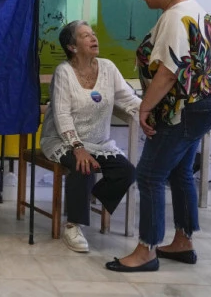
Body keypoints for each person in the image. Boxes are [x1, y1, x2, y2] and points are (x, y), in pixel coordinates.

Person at [106, 0, 211, 272]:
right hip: (204, 106)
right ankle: (183, 241)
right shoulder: (195, 9)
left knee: (149, 175)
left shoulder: (174, 17)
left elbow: (170, 71)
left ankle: (147, 250)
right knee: (179, 172)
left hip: (183, 110)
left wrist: (144, 108)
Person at [40, 20, 140, 253]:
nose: (93, 38)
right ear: (72, 47)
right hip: (61, 140)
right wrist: (77, 147)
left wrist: (149, 113)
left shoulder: (108, 67)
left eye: (93, 34)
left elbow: (127, 98)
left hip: (98, 142)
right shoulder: (64, 72)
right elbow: (62, 114)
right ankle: (73, 226)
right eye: (85, 36)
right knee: (82, 166)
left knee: (126, 172)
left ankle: (85, 198)